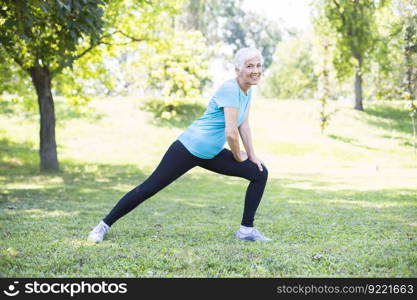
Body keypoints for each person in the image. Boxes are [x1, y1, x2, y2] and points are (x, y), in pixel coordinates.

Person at [88, 47, 271, 243]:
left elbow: (243, 124)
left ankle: (246, 230)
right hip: (188, 147)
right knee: (148, 188)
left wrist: (251, 155)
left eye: (258, 66)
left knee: (259, 172)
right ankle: (103, 226)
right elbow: (231, 132)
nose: (255, 70)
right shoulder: (230, 89)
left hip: (211, 153)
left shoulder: (246, 91)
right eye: (249, 66)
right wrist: (238, 155)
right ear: (238, 69)